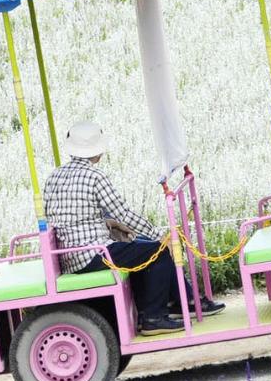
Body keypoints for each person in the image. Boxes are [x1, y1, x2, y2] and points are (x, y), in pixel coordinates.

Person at [39, 138, 189, 332]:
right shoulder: (94, 175)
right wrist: (159, 235)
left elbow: (63, 218)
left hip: (71, 255)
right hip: (93, 253)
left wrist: (108, 224)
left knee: (139, 245)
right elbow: (123, 213)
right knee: (158, 250)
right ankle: (154, 316)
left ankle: (167, 305)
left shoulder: (54, 176)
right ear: (97, 150)